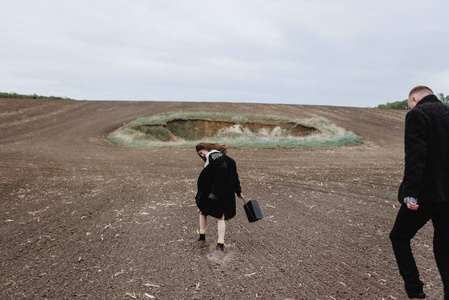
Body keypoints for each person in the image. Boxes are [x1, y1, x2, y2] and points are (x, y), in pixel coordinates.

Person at [390, 86, 449, 300]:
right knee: (445, 250)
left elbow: (416, 156)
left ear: (414, 99)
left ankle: (415, 291)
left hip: (424, 196)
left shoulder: (417, 114)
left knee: (399, 236)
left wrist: (410, 193)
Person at [194, 142, 243, 251]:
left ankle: (202, 237)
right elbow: (235, 176)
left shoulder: (213, 155)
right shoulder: (229, 159)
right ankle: (220, 243)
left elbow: (222, 169)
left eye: (201, 152)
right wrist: (238, 191)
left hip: (213, 192)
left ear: (206, 148)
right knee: (219, 216)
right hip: (223, 192)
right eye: (200, 154)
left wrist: (214, 192)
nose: (202, 155)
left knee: (203, 210)